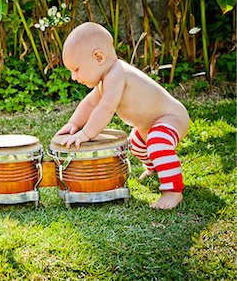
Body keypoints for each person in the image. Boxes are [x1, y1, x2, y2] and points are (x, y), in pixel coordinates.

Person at [56, 22, 189, 209]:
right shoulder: (105, 80)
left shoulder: (118, 73)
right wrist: (74, 123)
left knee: (158, 143)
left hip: (170, 117)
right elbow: (89, 103)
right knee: (136, 143)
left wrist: (86, 133)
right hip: (146, 126)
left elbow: (106, 108)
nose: (73, 77)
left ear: (98, 57)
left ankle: (173, 191)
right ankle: (155, 167)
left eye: (76, 69)